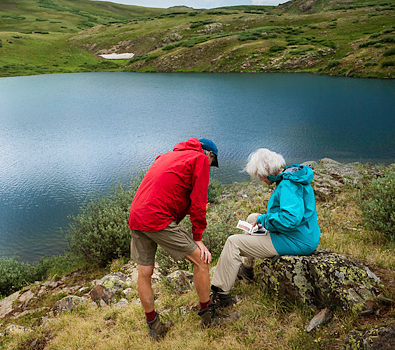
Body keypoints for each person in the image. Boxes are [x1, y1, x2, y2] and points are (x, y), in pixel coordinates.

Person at [128, 137, 219, 339]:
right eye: (212, 164)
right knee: (201, 261)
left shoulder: (166, 156)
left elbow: (168, 190)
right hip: (156, 217)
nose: (210, 169)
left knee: (144, 272)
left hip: (136, 214)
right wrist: (198, 238)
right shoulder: (200, 159)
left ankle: (155, 327)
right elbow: (198, 202)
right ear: (209, 154)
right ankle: (209, 317)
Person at [210, 148, 321, 308]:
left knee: (233, 242)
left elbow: (290, 220)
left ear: (267, 171)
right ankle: (247, 269)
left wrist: (265, 219)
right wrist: (262, 219)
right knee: (252, 218)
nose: (260, 179)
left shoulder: (288, 185)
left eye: (260, 175)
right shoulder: (291, 177)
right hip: (303, 234)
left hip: (296, 239)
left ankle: (221, 296)